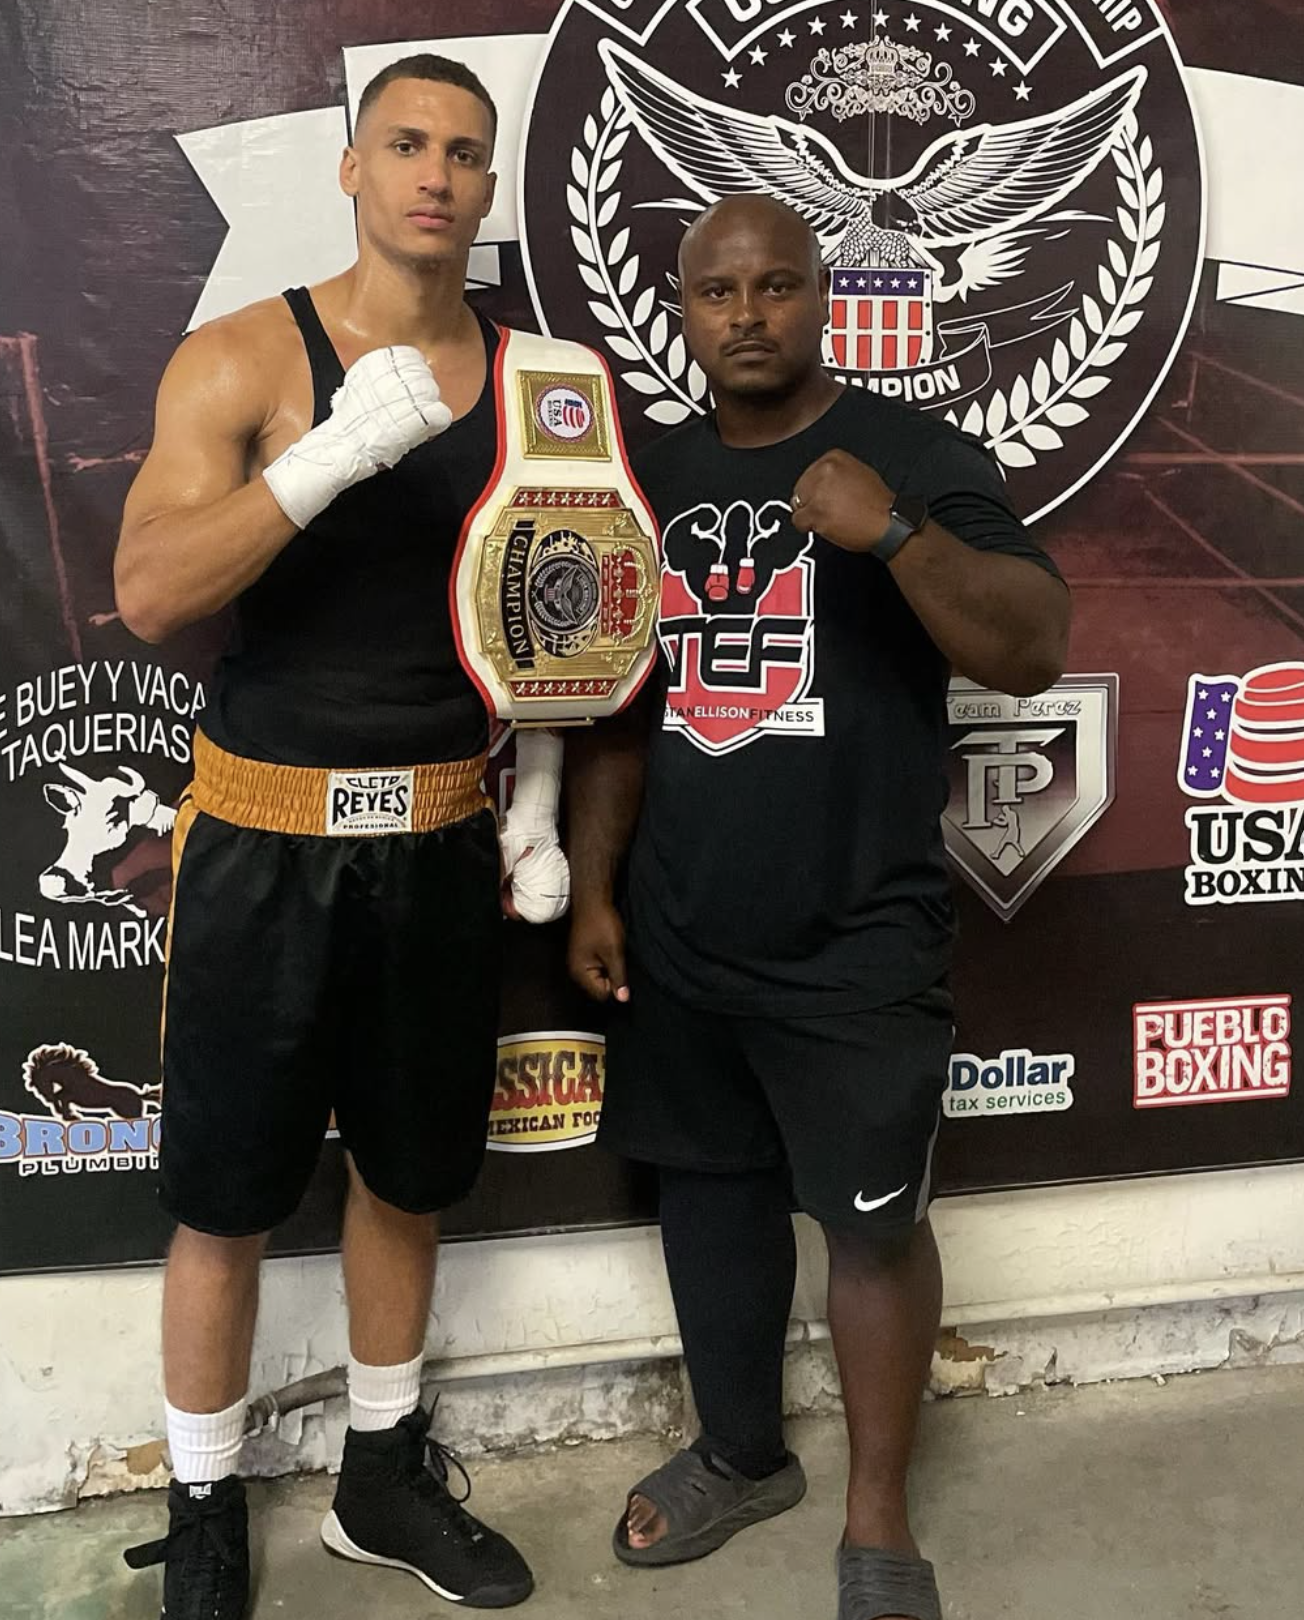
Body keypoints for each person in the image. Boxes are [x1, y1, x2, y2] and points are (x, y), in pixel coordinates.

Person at [566, 195, 1070, 1620]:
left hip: (858, 932)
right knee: (709, 1201)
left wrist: (896, 531)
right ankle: (740, 1457)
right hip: (680, 928)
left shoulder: (913, 455)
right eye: (716, 291)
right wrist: (595, 885)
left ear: (822, 298)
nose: (745, 313)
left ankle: (877, 1523)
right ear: (683, 308)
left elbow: (1033, 646)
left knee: (870, 1230)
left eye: (775, 285)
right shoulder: (646, 477)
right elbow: (615, 710)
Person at [114, 55, 562, 1619]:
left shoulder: (534, 384)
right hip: (262, 837)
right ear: (354, 172)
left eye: (464, 152)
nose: (435, 172)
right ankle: (203, 1502)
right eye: (407, 145)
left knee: (410, 1173)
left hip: (441, 830)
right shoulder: (242, 357)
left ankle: (381, 1474)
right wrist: (324, 458)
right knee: (224, 1195)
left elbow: (568, 626)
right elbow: (156, 593)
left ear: (489, 191)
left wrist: (549, 810)